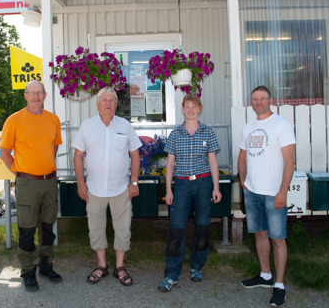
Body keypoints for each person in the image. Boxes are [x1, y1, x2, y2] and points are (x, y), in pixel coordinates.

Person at [72, 87, 142, 287]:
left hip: (121, 188)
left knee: (122, 228)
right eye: (104, 99)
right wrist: (81, 184)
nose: (108, 103)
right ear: (97, 103)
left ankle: (119, 267)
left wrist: (134, 182)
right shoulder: (87, 126)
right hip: (94, 188)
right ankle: (101, 265)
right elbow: (78, 156)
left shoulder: (125, 125)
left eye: (112, 99)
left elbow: (135, 154)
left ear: (116, 104)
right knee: (95, 228)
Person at [0, 80, 63, 292]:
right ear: (25, 96)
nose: (36, 97)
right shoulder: (14, 120)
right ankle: (28, 271)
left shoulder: (53, 119)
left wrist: (46, 170)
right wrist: (20, 175)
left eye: (40, 93)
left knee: (48, 228)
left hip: (49, 181)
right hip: (27, 183)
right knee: (27, 230)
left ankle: (46, 266)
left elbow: (53, 148)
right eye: (32, 93)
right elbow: (4, 153)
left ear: (45, 95)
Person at [157, 94, 222, 293]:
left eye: (194, 106)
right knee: (177, 230)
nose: (191, 109)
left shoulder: (208, 132)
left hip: (203, 184)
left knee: (203, 228)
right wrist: (169, 189)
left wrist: (216, 186)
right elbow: (169, 164)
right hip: (182, 185)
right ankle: (172, 274)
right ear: (183, 109)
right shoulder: (175, 134)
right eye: (187, 106)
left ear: (200, 108)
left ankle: (196, 267)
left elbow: (212, 161)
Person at [238, 86, 296, 307]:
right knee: (259, 235)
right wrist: (243, 181)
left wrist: (283, 191)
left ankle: (279, 285)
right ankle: (265, 276)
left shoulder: (281, 125)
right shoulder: (249, 127)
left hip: (274, 193)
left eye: (262, 98)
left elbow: (289, 161)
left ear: (270, 100)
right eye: (255, 99)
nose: (259, 102)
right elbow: (242, 155)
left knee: (278, 239)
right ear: (251, 102)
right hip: (252, 192)